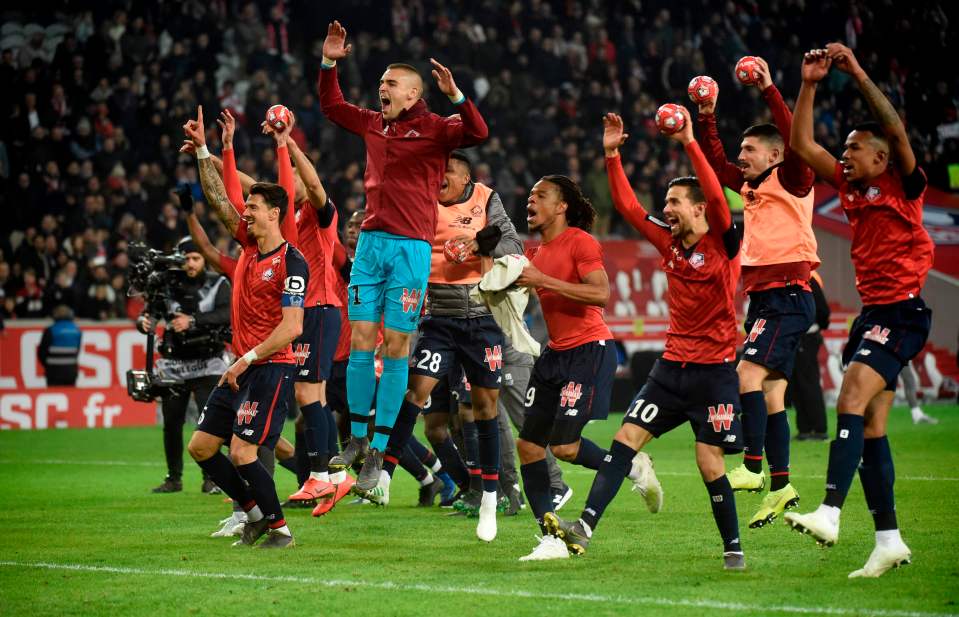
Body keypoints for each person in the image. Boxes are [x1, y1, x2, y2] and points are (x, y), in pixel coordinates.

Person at [545, 112, 743, 569]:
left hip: (714, 374)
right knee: (624, 440)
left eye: (675, 201)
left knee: (709, 463)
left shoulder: (723, 241)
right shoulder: (670, 243)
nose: (667, 208)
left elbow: (716, 194)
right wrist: (612, 155)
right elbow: (631, 209)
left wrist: (691, 141)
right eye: (666, 201)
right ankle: (585, 527)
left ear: (698, 209)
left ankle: (732, 548)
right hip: (670, 370)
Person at [784, 44, 935, 578]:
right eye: (843, 149)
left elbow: (894, 128)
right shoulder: (850, 188)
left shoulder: (905, 183)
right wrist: (809, 83)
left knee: (848, 395)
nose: (843, 155)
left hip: (902, 313)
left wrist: (857, 71)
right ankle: (888, 539)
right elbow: (801, 144)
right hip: (875, 315)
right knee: (871, 426)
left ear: (881, 158)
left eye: (854, 149)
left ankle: (829, 510)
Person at [318, 21, 489, 491]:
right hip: (371, 246)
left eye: (390, 85)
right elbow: (331, 105)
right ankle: (355, 438)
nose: (382, 91)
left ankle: (379, 451)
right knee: (360, 340)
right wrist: (330, 62)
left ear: (413, 94)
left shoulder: (435, 130)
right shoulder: (373, 123)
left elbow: (477, 131)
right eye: (380, 85)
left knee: (395, 348)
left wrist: (456, 95)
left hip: (413, 250)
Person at [363, 151, 521, 541]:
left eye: (446, 172)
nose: (438, 178)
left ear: (466, 176)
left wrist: (486, 243)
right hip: (438, 320)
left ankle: (488, 497)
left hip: (483, 318)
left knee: (484, 407)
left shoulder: (485, 198)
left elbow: (513, 247)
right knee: (416, 393)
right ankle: (383, 476)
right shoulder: (421, 202)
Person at [695, 56, 819, 528]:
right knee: (771, 393)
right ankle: (782, 483)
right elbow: (714, 162)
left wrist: (770, 89)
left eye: (749, 149)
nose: (741, 156)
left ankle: (750, 467)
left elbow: (795, 140)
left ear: (774, 154)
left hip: (786, 293)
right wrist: (707, 115)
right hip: (769, 296)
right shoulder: (749, 186)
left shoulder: (793, 176)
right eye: (742, 149)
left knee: (744, 374)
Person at [513, 170, 658, 561]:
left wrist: (544, 279)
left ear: (561, 206)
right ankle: (548, 535)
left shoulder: (580, 242)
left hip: (590, 350)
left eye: (540, 196)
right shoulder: (535, 252)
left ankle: (629, 465)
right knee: (527, 446)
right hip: (555, 353)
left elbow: (601, 293)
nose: (530, 201)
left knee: (563, 446)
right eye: (529, 195)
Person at [184, 107, 308, 549]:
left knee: (242, 452)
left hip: (271, 366)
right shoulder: (248, 248)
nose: (246, 213)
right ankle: (254, 515)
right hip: (242, 366)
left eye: (253, 207)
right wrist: (203, 149)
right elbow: (219, 200)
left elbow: (292, 327)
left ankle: (280, 530)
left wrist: (247, 359)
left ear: (275, 213)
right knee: (200, 447)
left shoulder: (292, 261)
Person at [217, 109, 344, 508]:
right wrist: (215, 155)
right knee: (313, 400)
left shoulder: (322, 216)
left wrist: (287, 142)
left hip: (319, 307)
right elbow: (247, 191)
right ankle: (327, 475)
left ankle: (326, 476)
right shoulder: (279, 221)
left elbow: (312, 183)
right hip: (304, 310)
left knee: (310, 393)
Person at [137, 228, 232, 495]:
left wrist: (192, 321)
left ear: (204, 259)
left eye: (195, 258)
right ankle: (173, 478)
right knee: (172, 423)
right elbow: (149, 314)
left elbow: (228, 314)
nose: (190, 264)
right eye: (186, 258)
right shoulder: (166, 284)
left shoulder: (218, 283)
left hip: (209, 362)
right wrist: (143, 322)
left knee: (210, 423)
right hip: (174, 365)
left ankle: (211, 478)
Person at [792, 271, 830, 440]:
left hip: (805, 336)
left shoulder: (808, 278)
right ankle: (805, 429)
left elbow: (822, 310)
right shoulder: (805, 277)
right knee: (799, 383)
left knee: (808, 382)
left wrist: (814, 326)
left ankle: (818, 428)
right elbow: (823, 312)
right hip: (800, 336)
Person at [38, 304, 82, 387]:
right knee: (70, 397)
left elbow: (42, 353)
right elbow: (77, 351)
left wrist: (48, 365)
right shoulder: (76, 330)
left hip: (54, 372)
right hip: (71, 371)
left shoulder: (50, 330)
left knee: (54, 397)